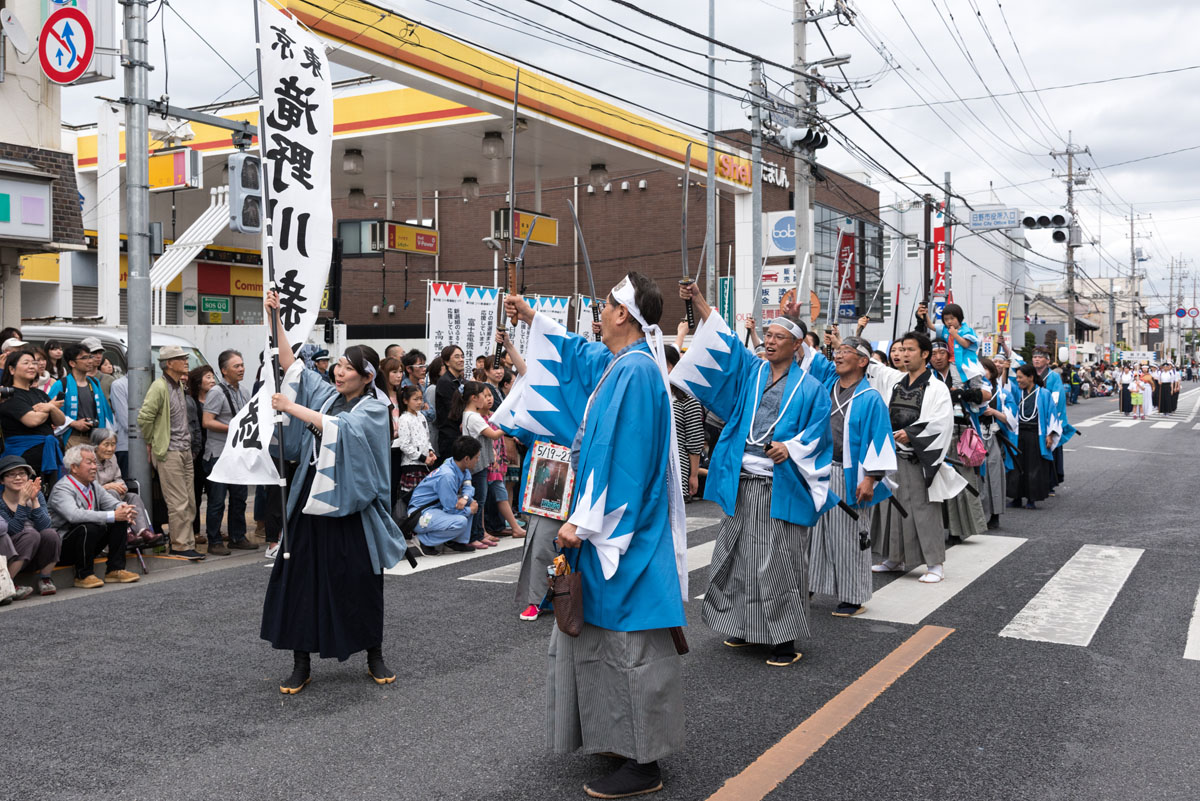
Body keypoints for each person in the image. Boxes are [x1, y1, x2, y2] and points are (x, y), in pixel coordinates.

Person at [506, 273, 686, 799]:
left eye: (604, 305)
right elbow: (574, 356)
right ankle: (622, 742)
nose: (597, 312)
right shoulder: (622, 365)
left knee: (630, 647)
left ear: (624, 314)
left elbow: (624, 461)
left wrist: (583, 522)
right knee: (608, 644)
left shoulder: (635, 373)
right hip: (609, 531)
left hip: (618, 534)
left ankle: (644, 761)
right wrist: (534, 319)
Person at [673, 282, 833, 667]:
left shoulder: (811, 388)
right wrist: (697, 300)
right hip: (742, 479)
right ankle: (744, 625)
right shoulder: (752, 372)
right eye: (768, 336)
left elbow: (819, 435)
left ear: (797, 346)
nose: (770, 342)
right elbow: (725, 341)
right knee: (738, 556)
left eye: (780, 337)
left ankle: (783, 639)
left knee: (777, 562)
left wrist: (790, 448)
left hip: (782, 483)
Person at [261, 291, 407, 694]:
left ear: (367, 377)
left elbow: (342, 432)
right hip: (311, 497)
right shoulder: (327, 395)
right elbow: (291, 365)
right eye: (338, 366)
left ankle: (373, 653)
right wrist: (274, 317)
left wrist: (292, 410)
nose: (339, 373)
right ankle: (300, 661)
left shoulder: (374, 409)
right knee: (300, 577)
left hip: (353, 505)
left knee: (360, 579)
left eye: (348, 368)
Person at [806, 333, 897, 617]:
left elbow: (880, 441)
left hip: (850, 474)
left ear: (862, 361)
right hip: (818, 470)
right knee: (811, 534)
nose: (838, 355)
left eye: (845, 351)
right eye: (838, 350)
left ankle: (852, 596)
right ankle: (807, 584)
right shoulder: (824, 388)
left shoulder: (871, 398)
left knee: (848, 536)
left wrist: (870, 478)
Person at [869, 331, 966, 584]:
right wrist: (840, 343)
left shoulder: (937, 388)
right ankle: (894, 557)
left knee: (923, 510)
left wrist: (911, 434)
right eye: (900, 350)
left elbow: (941, 423)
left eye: (910, 350)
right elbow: (871, 367)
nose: (903, 354)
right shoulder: (896, 380)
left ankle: (935, 563)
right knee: (892, 507)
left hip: (918, 458)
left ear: (925, 355)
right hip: (893, 455)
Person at [137, 345, 203, 561]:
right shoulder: (159, 387)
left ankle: (187, 542)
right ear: (168, 363)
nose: (185, 361)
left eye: (185, 357)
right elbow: (145, 418)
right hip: (170, 450)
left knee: (190, 500)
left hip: (184, 450)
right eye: (180, 358)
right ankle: (180, 545)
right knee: (178, 501)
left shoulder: (179, 386)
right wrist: (152, 442)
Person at [48, 445, 139, 589]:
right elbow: (74, 515)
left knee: (119, 518)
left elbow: (112, 503)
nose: (94, 467)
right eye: (89, 462)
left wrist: (123, 509)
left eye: (94, 462)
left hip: (87, 542)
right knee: (88, 526)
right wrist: (112, 515)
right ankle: (83, 575)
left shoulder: (93, 485)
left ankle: (115, 569)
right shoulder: (62, 488)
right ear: (74, 467)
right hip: (62, 546)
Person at [202, 350, 256, 553]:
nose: (241, 369)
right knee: (217, 501)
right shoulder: (216, 392)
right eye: (236, 366)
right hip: (218, 454)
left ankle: (237, 536)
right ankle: (214, 541)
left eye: (242, 365)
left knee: (239, 498)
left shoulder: (244, 391)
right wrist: (233, 428)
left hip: (238, 453)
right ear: (224, 370)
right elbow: (207, 421)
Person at [0, 347, 68, 484]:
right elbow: (32, 420)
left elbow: (61, 420)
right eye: (26, 363)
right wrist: (51, 408)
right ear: (12, 370)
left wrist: (49, 407)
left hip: (48, 454)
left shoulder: (39, 394)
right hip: (23, 457)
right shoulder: (8, 396)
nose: (32, 366)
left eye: (34, 363)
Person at [0, 456, 60, 599]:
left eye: (22, 474)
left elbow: (46, 526)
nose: (18, 478)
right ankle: (8, 583)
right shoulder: (1, 502)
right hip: (10, 555)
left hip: (34, 553)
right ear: (2, 480)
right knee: (30, 534)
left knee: (51, 534)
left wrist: (33, 500)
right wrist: (21, 503)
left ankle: (45, 579)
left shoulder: (36, 495)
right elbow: (12, 530)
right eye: (11, 475)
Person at [409, 435, 479, 554]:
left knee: (470, 501)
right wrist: (469, 510)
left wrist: (466, 498)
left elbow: (468, 487)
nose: (478, 460)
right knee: (460, 520)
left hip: (435, 510)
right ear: (467, 459)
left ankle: (456, 542)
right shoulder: (447, 476)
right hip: (420, 515)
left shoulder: (457, 464)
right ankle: (422, 541)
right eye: (476, 457)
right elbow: (450, 508)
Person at [89, 428, 155, 545]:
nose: (110, 449)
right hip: (95, 499)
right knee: (112, 493)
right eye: (106, 444)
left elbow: (119, 479)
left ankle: (142, 531)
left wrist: (121, 488)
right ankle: (125, 531)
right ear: (96, 445)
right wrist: (107, 487)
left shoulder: (112, 458)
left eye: (113, 444)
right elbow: (89, 486)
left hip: (115, 496)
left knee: (133, 497)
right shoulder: (89, 460)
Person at [456, 381, 502, 548]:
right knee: (477, 500)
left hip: (479, 462)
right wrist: (509, 424)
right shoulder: (473, 417)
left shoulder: (469, 415)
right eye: (484, 395)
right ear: (474, 398)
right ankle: (472, 536)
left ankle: (479, 533)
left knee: (479, 500)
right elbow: (494, 434)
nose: (486, 399)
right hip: (476, 464)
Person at [1008, 364, 1060, 509]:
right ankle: (1016, 497)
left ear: (1030, 377)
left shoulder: (1044, 394)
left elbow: (1051, 414)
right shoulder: (1017, 393)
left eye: (1020, 377)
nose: (1018, 380)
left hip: (1036, 434)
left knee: (1034, 467)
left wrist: (1049, 435)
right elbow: (1004, 388)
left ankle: (1032, 498)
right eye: (1017, 377)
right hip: (1018, 434)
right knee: (1017, 466)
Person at [48, 343, 114, 451]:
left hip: (95, 438)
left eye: (90, 357)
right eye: (84, 358)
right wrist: (73, 423)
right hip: (73, 437)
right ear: (72, 363)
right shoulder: (61, 384)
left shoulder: (94, 382)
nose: (89, 361)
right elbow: (51, 411)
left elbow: (104, 410)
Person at [663, 345, 705, 500]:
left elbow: (694, 440)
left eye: (666, 365)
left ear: (675, 367)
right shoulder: (650, 394)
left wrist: (693, 475)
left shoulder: (688, 399)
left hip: (677, 466)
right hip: (651, 467)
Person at [1031, 347, 1074, 486]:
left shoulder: (1054, 376)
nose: (1036, 359)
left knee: (1051, 448)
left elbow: (1057, 397)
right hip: (1033, 417)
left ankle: (1050, 482)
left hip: (1049, 416)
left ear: (1048, 360)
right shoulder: (1029, 374)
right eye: (1034, 356)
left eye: (1040, 356)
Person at [187, 365, 215, 547]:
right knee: (195, 493)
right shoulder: (190, 401)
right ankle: (195, 531)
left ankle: (214, 529)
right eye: (208, 377)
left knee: (214, 493)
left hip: (213, 450)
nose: (212, 380)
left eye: (213, 377)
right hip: (197, 452)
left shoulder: (217, 398)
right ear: (198, 381)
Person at [394, 385, 437, 499]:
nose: (419, 402)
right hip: (412, 465)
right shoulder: (404, 419)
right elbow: (405, 445)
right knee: (413, 497)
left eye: (421, 399)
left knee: (425, 497)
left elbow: (426, 438)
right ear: (405, 400)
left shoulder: (421, 416)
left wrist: (430, 451)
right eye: (415, 399)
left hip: (424, 464)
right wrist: (423, 457)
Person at [434, 345, 466, 461]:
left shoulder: (462, 380)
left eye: (462, 356)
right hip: (450, 438)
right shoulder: (445, 382)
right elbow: (454, 410)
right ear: (447, 362)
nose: (461, 359)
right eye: (457, 357)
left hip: (462, 436)